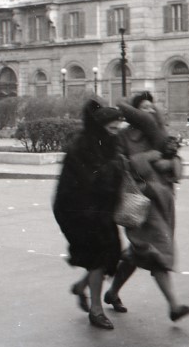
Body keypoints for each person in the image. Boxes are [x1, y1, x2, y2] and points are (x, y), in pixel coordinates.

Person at [105, 91, 189, 322]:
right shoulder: (123, 137)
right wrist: (148, 157)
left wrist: (169, 163)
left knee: (138, 253)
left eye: (151, 106)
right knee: (157, 251)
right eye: (143, 107)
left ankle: (111, 292)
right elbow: (120, 165)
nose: (149, 110)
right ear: (134, 112)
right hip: (139, 201)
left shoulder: (159, 134)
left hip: (163, 202)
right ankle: (174, 306)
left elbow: (176, 161)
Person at [53, 99, 124, 330]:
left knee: (109, 255)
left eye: (118, 128)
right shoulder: (81, 147)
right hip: (78, 210)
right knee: (98, 258)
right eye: (112, 128)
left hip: (99, 209)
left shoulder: (107, 143)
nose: (115, 133)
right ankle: (96, 310)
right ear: (100, 127)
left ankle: (82, 287)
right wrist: (115, 167)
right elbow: (90, 180)